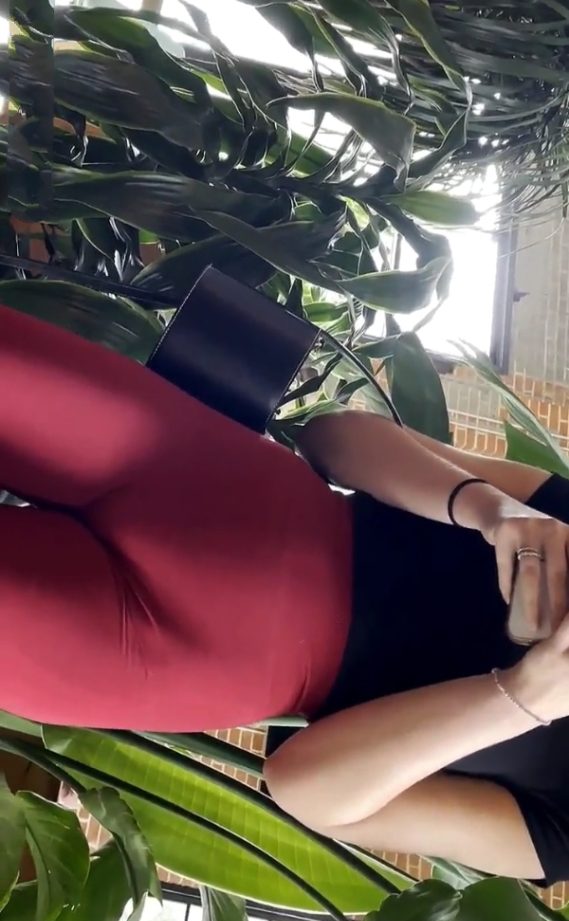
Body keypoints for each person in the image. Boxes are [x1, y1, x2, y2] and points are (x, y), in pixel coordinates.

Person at [2, 305, 569, 888]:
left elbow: (303, 788)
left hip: (166, 647)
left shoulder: (561, 831)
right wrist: (489, 508)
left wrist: (522, 699)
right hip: (202, 469)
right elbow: (332, 438)